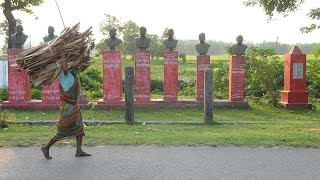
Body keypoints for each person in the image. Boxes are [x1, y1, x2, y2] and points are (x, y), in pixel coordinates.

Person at [41, 54, 91, 160]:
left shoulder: (74, 74)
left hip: (73, 105)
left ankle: (78, 150)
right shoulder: (65, 76)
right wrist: (63, 58)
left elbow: (83, 66)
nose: (77, 67)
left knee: (79, 127)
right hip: (67, 107)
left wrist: (86, 54)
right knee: (63, 129)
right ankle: (46, 148)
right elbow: (64, 68)